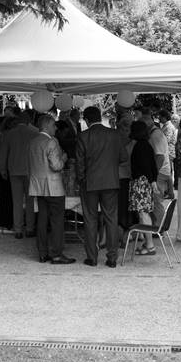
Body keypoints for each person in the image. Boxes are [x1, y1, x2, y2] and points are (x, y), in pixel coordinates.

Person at [76, 106, 129, 268]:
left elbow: (79, 164)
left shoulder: (83, 136)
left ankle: (92, 258)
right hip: (110, 182)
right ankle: (112, 258)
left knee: (90, 220)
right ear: (100, 117)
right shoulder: (114, 135)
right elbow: (123, 157)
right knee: (111, 219)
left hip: (89, 183)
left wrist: (81, 181)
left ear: (86, 120)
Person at [28, 114, 76, 264]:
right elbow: (56, 166)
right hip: (53, 187)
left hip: (38, 186)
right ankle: (56, 254)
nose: (56, 127)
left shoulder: (32, 142)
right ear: (47, 126)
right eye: (54, 125)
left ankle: (42, 253)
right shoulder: (51, 142)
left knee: (42, 220)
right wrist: (64, 158)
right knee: (57, 221)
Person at [0, 109, 39, 238]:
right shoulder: (35, 133)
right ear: (28, 121)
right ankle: (30, 228)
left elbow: (3, 153)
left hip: (14, 170)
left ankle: (17, 229)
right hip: (30, 170)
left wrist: (3, 169)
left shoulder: (9, 134)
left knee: (16, 201)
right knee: (30, 201)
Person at [128, 121, 159, 255]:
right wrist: (153, 181)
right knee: (144, 212)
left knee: (143, 213)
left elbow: (146, 166)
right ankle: (148, 243)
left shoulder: (140, 146)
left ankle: (150, 245)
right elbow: (152, 166)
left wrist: (151, 181)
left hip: (141, 182)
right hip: (145, 182)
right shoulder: (146, 145)